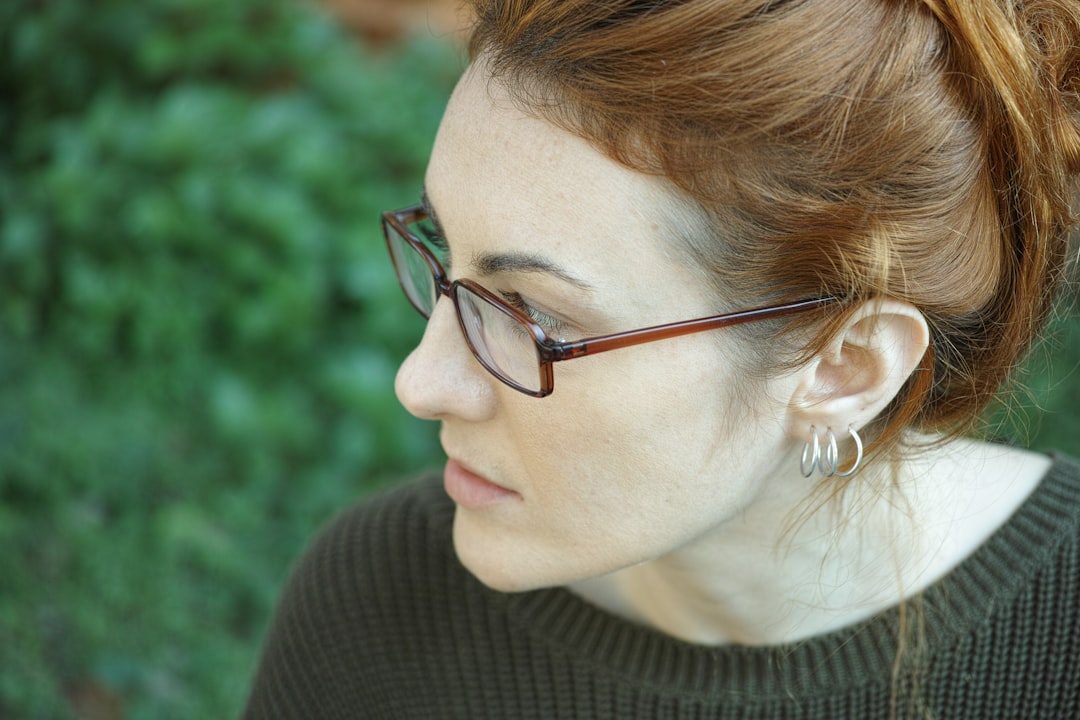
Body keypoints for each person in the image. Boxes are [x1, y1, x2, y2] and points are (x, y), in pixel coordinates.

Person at [243, 0, 1080, 717]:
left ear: (843, 370)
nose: (420, 383)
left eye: (532, 313)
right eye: (444, 251)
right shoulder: (374, 609)